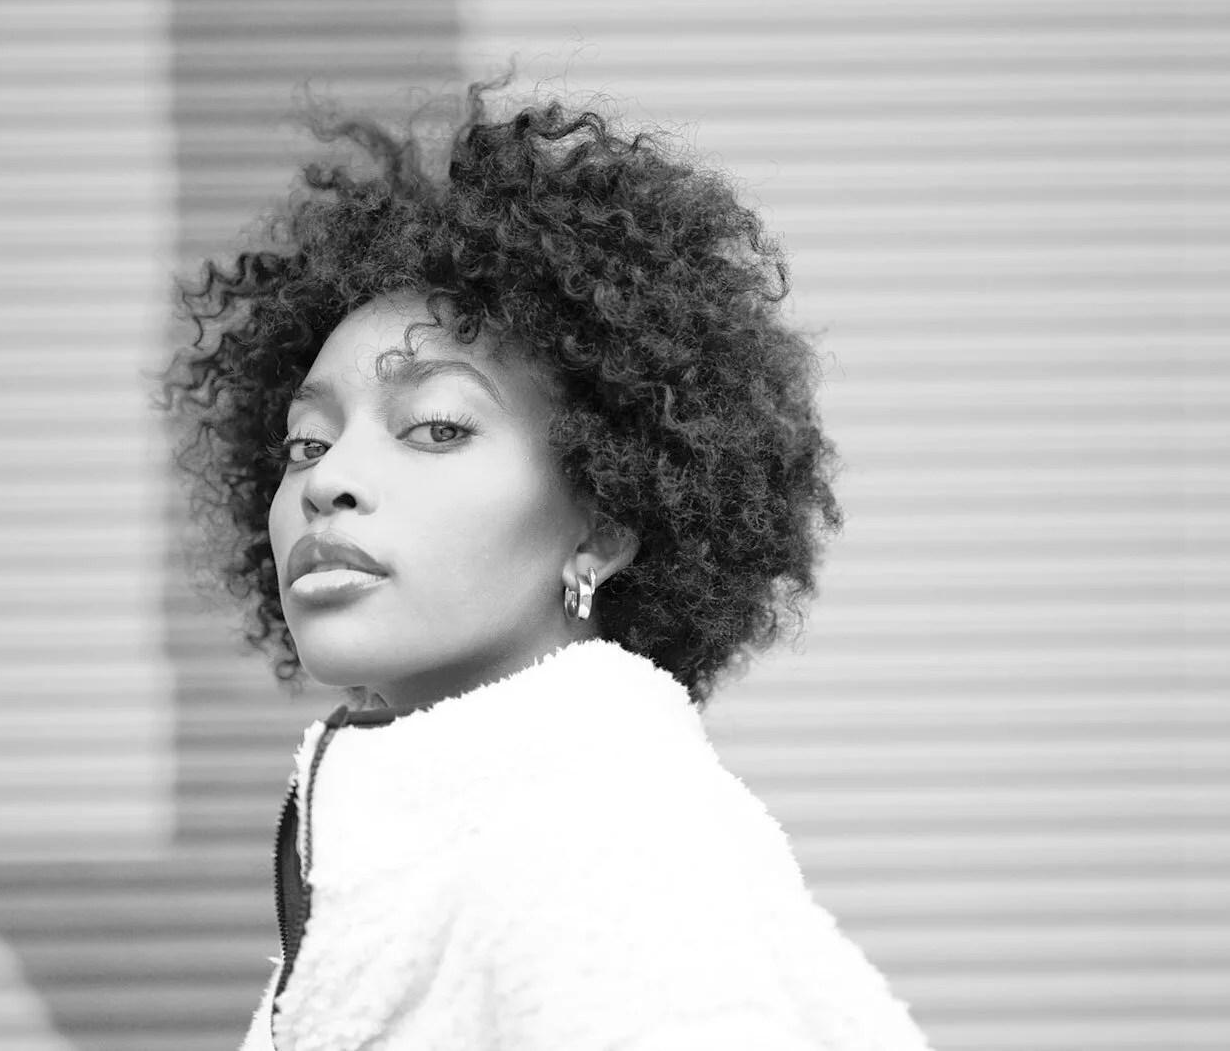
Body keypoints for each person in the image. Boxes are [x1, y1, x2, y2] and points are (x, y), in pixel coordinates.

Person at [155, 74, 935, 1050]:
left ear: (603, 525)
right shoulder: (394, 858)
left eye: (435, 427)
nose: (328, 481)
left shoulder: (617, 863)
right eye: (306, 443)